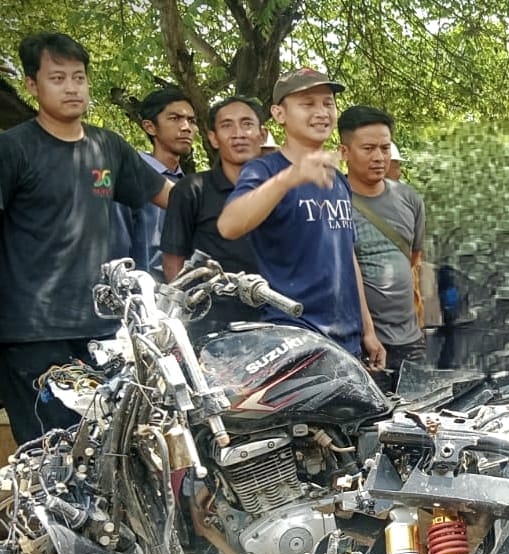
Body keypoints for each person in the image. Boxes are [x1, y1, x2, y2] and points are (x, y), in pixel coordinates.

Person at [0, 32, 171, 442]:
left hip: (104, 331)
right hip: (34, 334)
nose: (72, 87)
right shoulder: (13, 148)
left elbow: (174, 200)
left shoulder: (107, 146)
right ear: (31, 85)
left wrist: (249, 206)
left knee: (112, 451)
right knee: (53, 456)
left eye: (78, 77)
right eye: (57, 78)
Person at [217, 68, 384, 366]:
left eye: (327, 103)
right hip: (293, 338)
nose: (321, 112)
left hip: (347, 340)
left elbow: (348, 257)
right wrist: (290, 178)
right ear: (279, 114)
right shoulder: (264, 171)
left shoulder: (338, 179)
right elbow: (229, 225)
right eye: (308, 104)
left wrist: (368, 330)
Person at [160, 95, 266, 335]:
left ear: (262, 134)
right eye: (227, 125)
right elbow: (173, 261)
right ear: (213, 138)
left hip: (277, 319)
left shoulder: (281, 189)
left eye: (247, 124)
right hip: (213, 326)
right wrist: (189, 314)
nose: (238, 133)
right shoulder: (192, 190)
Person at [339, 105, 427, 367]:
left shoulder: (409, 198)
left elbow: (413, 258)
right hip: (360, 342)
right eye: (368, 149)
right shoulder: (333, 202)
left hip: (410, 338)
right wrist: (367, 332)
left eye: (385, 148)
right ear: (344, 152)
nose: (379, 157)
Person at [112, 86, 196, 275]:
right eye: (175, 119)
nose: (186, 127)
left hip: (186, 296)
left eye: (191, 121)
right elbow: (115, 250)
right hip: (139, 296)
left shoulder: (193, 187)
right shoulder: (128, 177)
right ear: (150, 127)